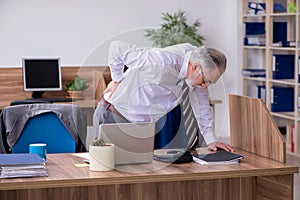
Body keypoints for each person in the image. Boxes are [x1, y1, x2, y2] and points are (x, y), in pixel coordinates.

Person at [93, 40, 233, 152]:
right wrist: (116, 79)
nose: (205, 87)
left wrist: (211, 140)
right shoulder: (161, 60)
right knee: (109, 173)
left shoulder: (197, 67)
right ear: (195, 67)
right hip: (115, 116)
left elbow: (202, 104)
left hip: (142, 125)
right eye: (205, 81)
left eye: (210, 83)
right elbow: (117, 48)